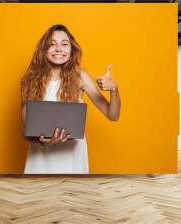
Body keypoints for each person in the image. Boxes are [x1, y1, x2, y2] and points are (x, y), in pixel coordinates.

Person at [21, 24, 121, 174]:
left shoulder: (80, 77)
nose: (59, 49)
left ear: (71, 49)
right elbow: (25, 131)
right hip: (40, 160)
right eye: (52, 44)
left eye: (64, 44)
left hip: (72, 160)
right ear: (44, 49)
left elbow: (112, 115)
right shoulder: (31, 80)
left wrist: (114, 89)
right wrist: (42, 142)